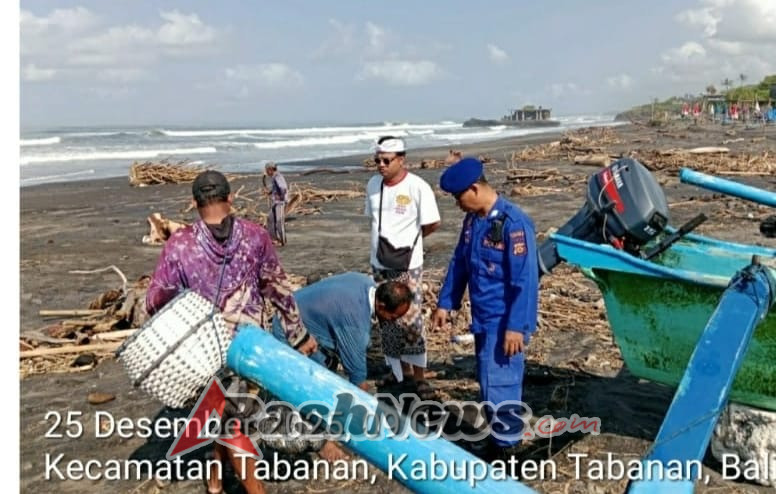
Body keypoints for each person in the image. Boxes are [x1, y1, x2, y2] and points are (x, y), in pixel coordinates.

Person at [146, 170, 317, 494]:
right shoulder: (255, 236)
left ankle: (214, 483)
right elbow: (277, 288)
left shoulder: (179, 244)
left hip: (201, 351)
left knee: (225, 415)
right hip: (250, 347)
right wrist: (298, 335)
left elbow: (155, 300)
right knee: (237, 421)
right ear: (230, 198)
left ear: (194, 203)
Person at [431, 157, 539, 461]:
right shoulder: (475, 222)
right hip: (482, 319)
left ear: (475, 189)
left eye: (458, 197)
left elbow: (525, 280)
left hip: (504, 322)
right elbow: (460, 263)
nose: (456, 204)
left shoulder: (513, 224)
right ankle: (499, 439)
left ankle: (508, 450)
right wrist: (445, 303)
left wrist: (516, 326)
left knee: (502, 382)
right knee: (488, 382)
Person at [270, 272, 413, 460]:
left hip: (303, 318)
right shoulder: (355, 325)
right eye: (393, 317)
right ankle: (320, 442)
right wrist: (375, 423)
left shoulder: (364, 283)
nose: (394, 321)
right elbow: (358, 382)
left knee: (326, 372)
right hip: (288, 328)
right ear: (381, 305)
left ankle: (321, 425)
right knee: (311, 385)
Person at [365, 136, 441, 397]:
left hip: (408, 264)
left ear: (401, 159)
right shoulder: (373, 185)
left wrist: (410, 243)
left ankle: (418, 375)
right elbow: (373, 220)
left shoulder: (418, 187)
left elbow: (432, 223)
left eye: (387, 160)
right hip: (379, 262)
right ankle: (398, 371)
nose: (381, 165)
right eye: (378, 160)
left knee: (410, 319)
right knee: (386, 317)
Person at [264, 162, 289, 246]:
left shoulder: (278, 176)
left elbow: (283, 188)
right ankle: (274, 239)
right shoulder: (274, 177)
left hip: (280, 203)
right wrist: (270, 192)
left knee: (279, 222)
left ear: (270, 169)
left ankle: (283, 240)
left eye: (267, 170)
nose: (266, 172)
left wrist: (281, 196)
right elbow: (276, 189)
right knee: (270, 219)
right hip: (275, 202)